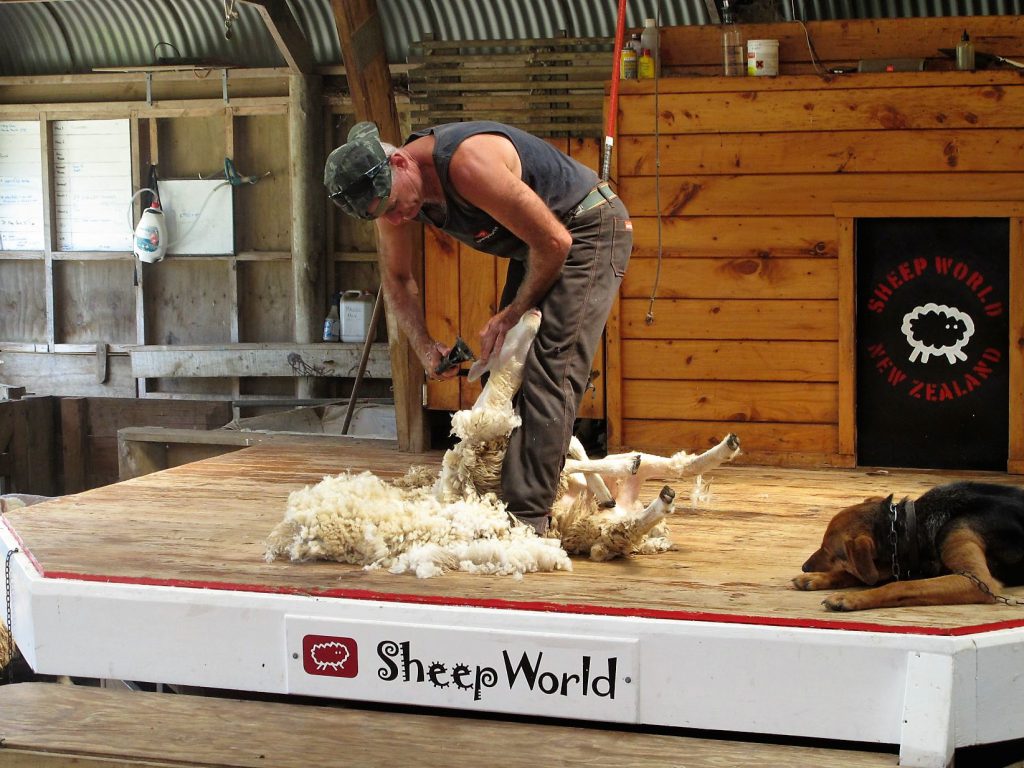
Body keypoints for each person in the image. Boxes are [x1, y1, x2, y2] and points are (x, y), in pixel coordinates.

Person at [324, 120, 632, 534]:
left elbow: (556, 243)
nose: (397, 219)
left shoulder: (467, 163)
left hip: (587, 227)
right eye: (384, 215)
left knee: (549, 368)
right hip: (540, 245)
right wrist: (423, 345)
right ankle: (500, 495)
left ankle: (524, 522)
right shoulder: (388, 193)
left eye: (395, 205)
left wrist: (511, 313)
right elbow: (397, 279)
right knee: (506, 369)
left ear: (399, 161)